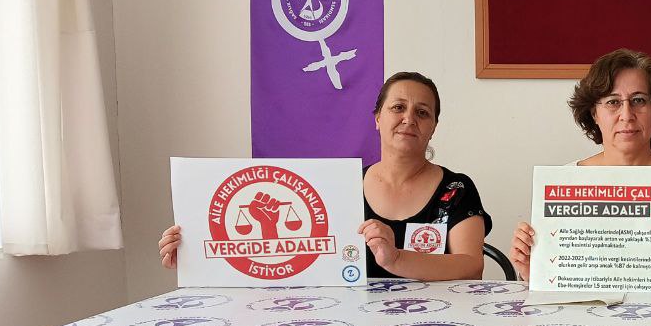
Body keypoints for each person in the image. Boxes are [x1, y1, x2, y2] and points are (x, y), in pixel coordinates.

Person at [159, 72, 491, 280]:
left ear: (433, 127)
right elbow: (286, 256)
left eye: (422, 112)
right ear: (377, 118)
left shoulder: (456, 188)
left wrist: (397, 259)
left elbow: (470, 266)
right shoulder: (338, 188)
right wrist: (196, 253)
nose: (409, 119)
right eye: (397, 107)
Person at [509, 48, 651, 285]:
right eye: (613, 102)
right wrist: (531, 270)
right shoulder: (563, 183)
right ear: (594, 113)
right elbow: (550, 274)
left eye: (639, 100)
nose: (627, 114)